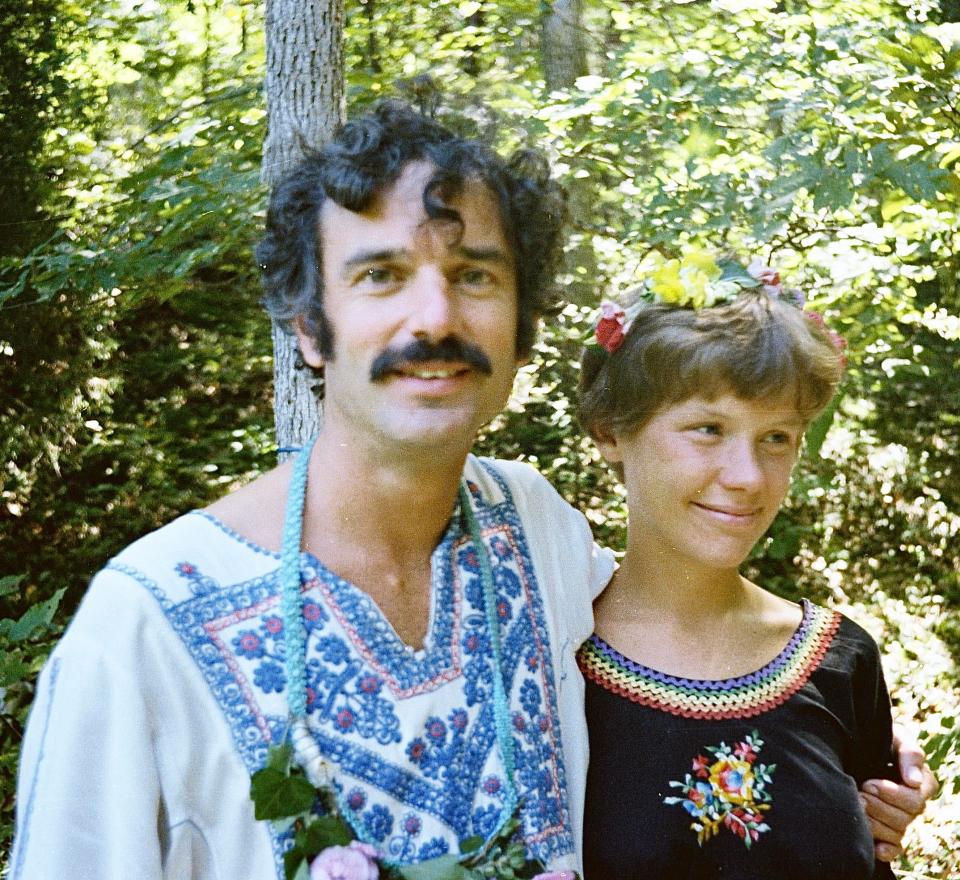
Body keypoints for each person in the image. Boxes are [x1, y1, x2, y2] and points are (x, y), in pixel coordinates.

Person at [11, 104, 932, 880]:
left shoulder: (537, 534)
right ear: (307, 325)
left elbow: (687, 650)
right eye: (380, 274)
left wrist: (843, 809)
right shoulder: (143, 631)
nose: (436, 317)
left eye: (474, 275)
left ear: (521, 322)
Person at [575, 252, 929, 878]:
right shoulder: (549, 662)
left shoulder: (842, 660)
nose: (748, 478)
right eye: (708, 428)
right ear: (609, 431)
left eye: (776, 438)